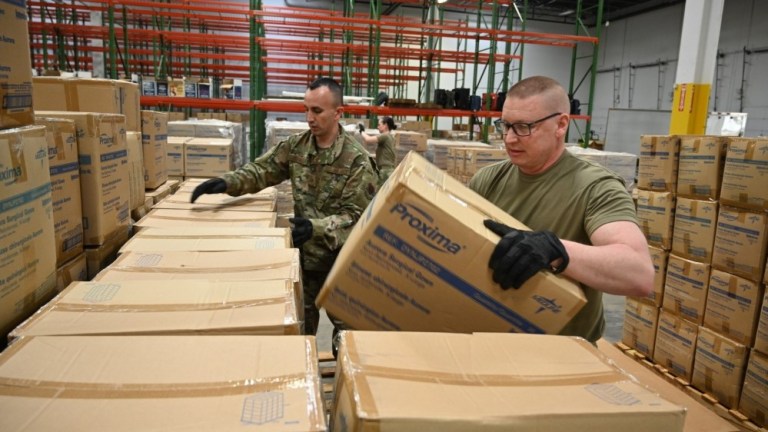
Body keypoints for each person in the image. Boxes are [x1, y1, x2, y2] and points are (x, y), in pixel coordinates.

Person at [190, 77, 378, 346]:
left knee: (352, 340)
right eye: (306, 109)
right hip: (304, 263)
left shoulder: (356, 160)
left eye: (317, 111)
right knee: (297, 338)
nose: (309, 118)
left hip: (342, 267)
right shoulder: (296, 147)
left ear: (338, 113)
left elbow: (356, 219)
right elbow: (262, 170)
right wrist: (226, 182)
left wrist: (316, 228)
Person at [469, 75, 653, 343]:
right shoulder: (488, 180)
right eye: (505, 125)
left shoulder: (596, 187)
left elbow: (638, 274)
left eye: (523, 127)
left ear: (561, 124)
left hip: (563, 355)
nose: (509, 139)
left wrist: (557, 251)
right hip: (490, 342)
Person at [359, 116, 397, 186]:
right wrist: (368, 155)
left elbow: (368, 140)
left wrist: (362, 132)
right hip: (388, 170)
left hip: (385, 171)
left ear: (385, 125)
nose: (377, 127)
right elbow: (385, 155)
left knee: (380, 195)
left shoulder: (385, 136)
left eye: (379, 125)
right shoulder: (391, 137)